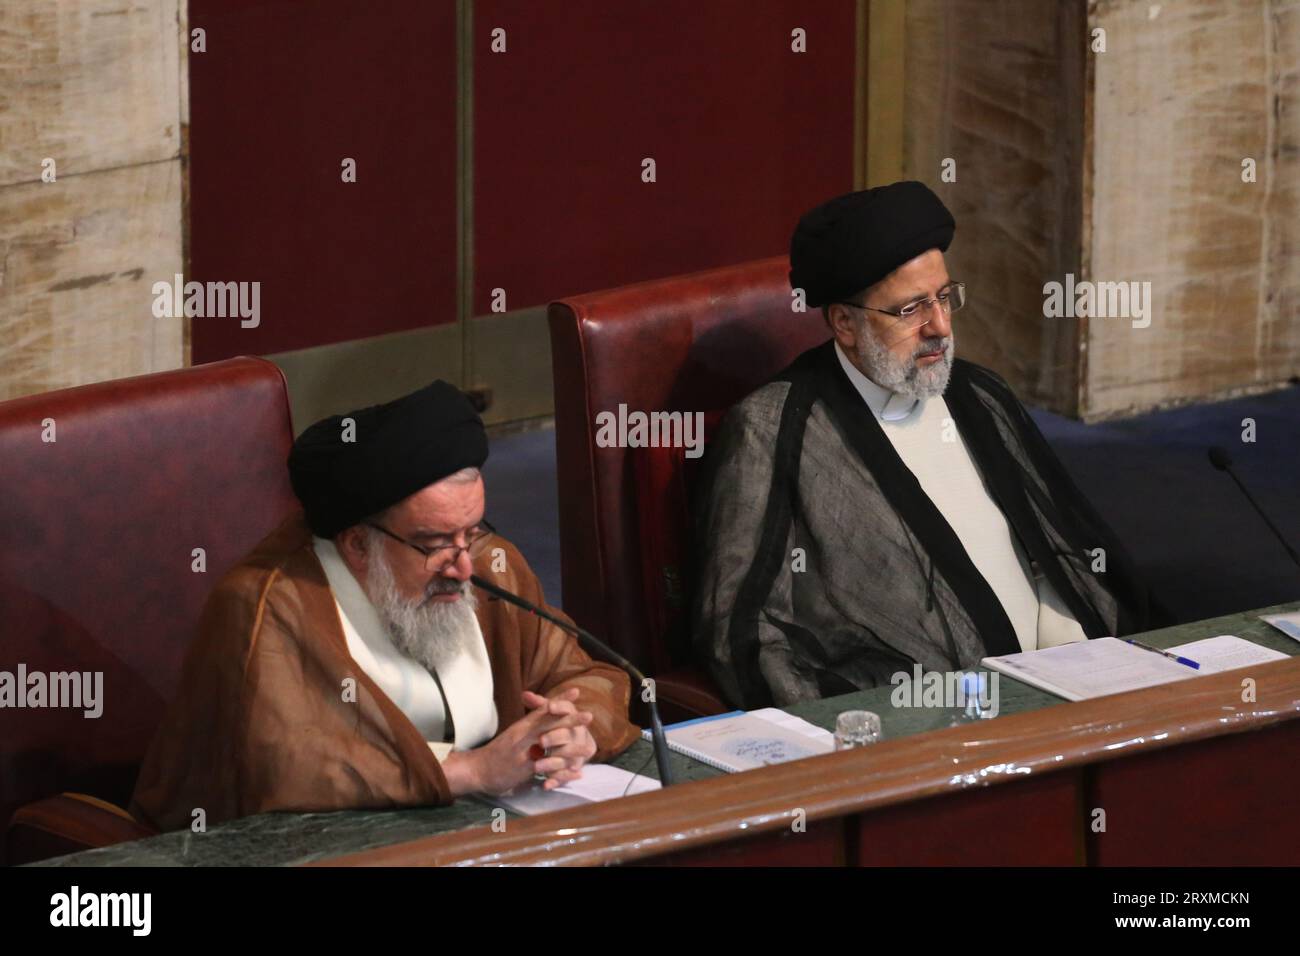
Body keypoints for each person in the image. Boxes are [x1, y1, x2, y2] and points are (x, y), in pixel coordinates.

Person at [693, 181, 1152, 708]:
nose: (938, 327)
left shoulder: (979, 394)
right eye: (910, 310)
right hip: (913, 723)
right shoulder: (773, 428)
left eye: (944, 297)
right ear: (845, 322)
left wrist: (1065, 661)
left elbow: (1059, 548)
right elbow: (742, 625)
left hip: (1058, 689)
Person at [131, 381, 638, 831]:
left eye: (473, 531)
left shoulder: (488, 565)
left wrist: (574, 729)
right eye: (435, 542)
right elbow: (285, 769)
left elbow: (581, 674)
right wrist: (473, 770)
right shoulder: (267, 604)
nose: (463, 567)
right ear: (356, 544)